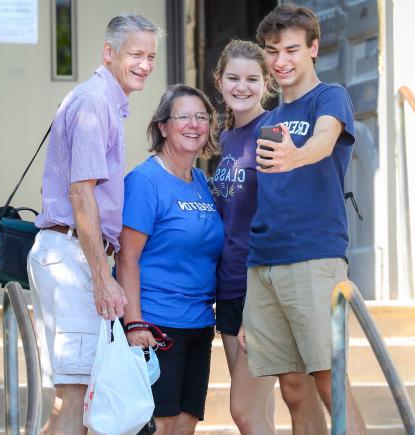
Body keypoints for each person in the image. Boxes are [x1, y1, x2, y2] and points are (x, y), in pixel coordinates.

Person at [27, 13, 162, 435]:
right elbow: (81, 194)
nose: (144, 64)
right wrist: (103, 278)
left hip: (74, 255)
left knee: (83, 401)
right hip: (72, 259)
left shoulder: (105, 102)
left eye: (151, 56)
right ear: (109, 53)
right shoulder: (95, 102)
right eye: (135, 54)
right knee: (74, 398)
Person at [241, 4, 367, 434]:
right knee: (293, 387)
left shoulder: (329, 97)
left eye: (292, 49)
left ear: (313, 48)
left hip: (314, 257)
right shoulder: (269, 120)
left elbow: (325, 139)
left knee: (329, 377)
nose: (281, 61)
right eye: (273, 51)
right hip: (265, 263)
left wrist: (297, 155)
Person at [117, 84, 223, 435]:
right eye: (183, 117)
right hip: (158, 323)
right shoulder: (145, 181)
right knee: (159, 424)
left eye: (201, 117)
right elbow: (127, 257)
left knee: (186, 422)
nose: (194, 125)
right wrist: (134, 323)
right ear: (163, 125)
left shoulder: (202, 183)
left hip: (198, 323)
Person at [210, 39, 278, 434]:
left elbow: (276, 218)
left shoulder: (270, 133)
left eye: (252, 79)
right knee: (258, 414)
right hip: (229, 286)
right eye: (233, 78)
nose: (242, 86)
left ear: (265, 83)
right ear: (219, 81)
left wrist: (259, 302)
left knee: (243, 410)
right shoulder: (227, 138)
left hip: (259, 288)